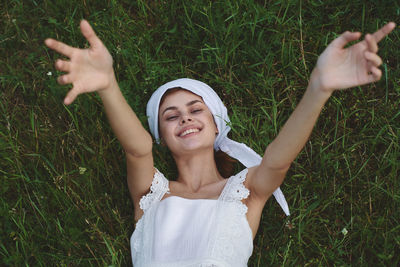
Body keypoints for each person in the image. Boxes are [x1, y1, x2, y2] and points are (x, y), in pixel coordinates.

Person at [45, 20, 396, 266]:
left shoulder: (246, 190)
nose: (185, 118)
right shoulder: (151, 193)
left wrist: (319, 87)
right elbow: (136, 148)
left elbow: (277, 160)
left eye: (196, 109)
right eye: (170, 116)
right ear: (162, 137)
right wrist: (108, 85)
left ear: (217, 126)